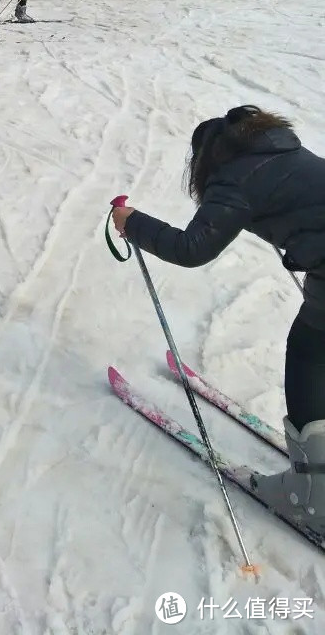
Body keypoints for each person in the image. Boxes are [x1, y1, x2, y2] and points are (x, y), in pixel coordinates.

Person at [111, 105, 325, 532]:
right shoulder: (288, 155)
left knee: (308, 353)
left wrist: (132, 223)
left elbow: (193, 248)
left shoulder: (235, 179)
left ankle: (312, 500)